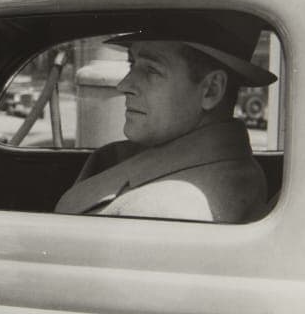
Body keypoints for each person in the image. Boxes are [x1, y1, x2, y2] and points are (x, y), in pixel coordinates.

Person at [54, 12, 277, 223]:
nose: (124, 85)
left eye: (151, 70)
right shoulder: (226, 168)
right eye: (132, 64)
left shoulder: (159, 211)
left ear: (211, 90)